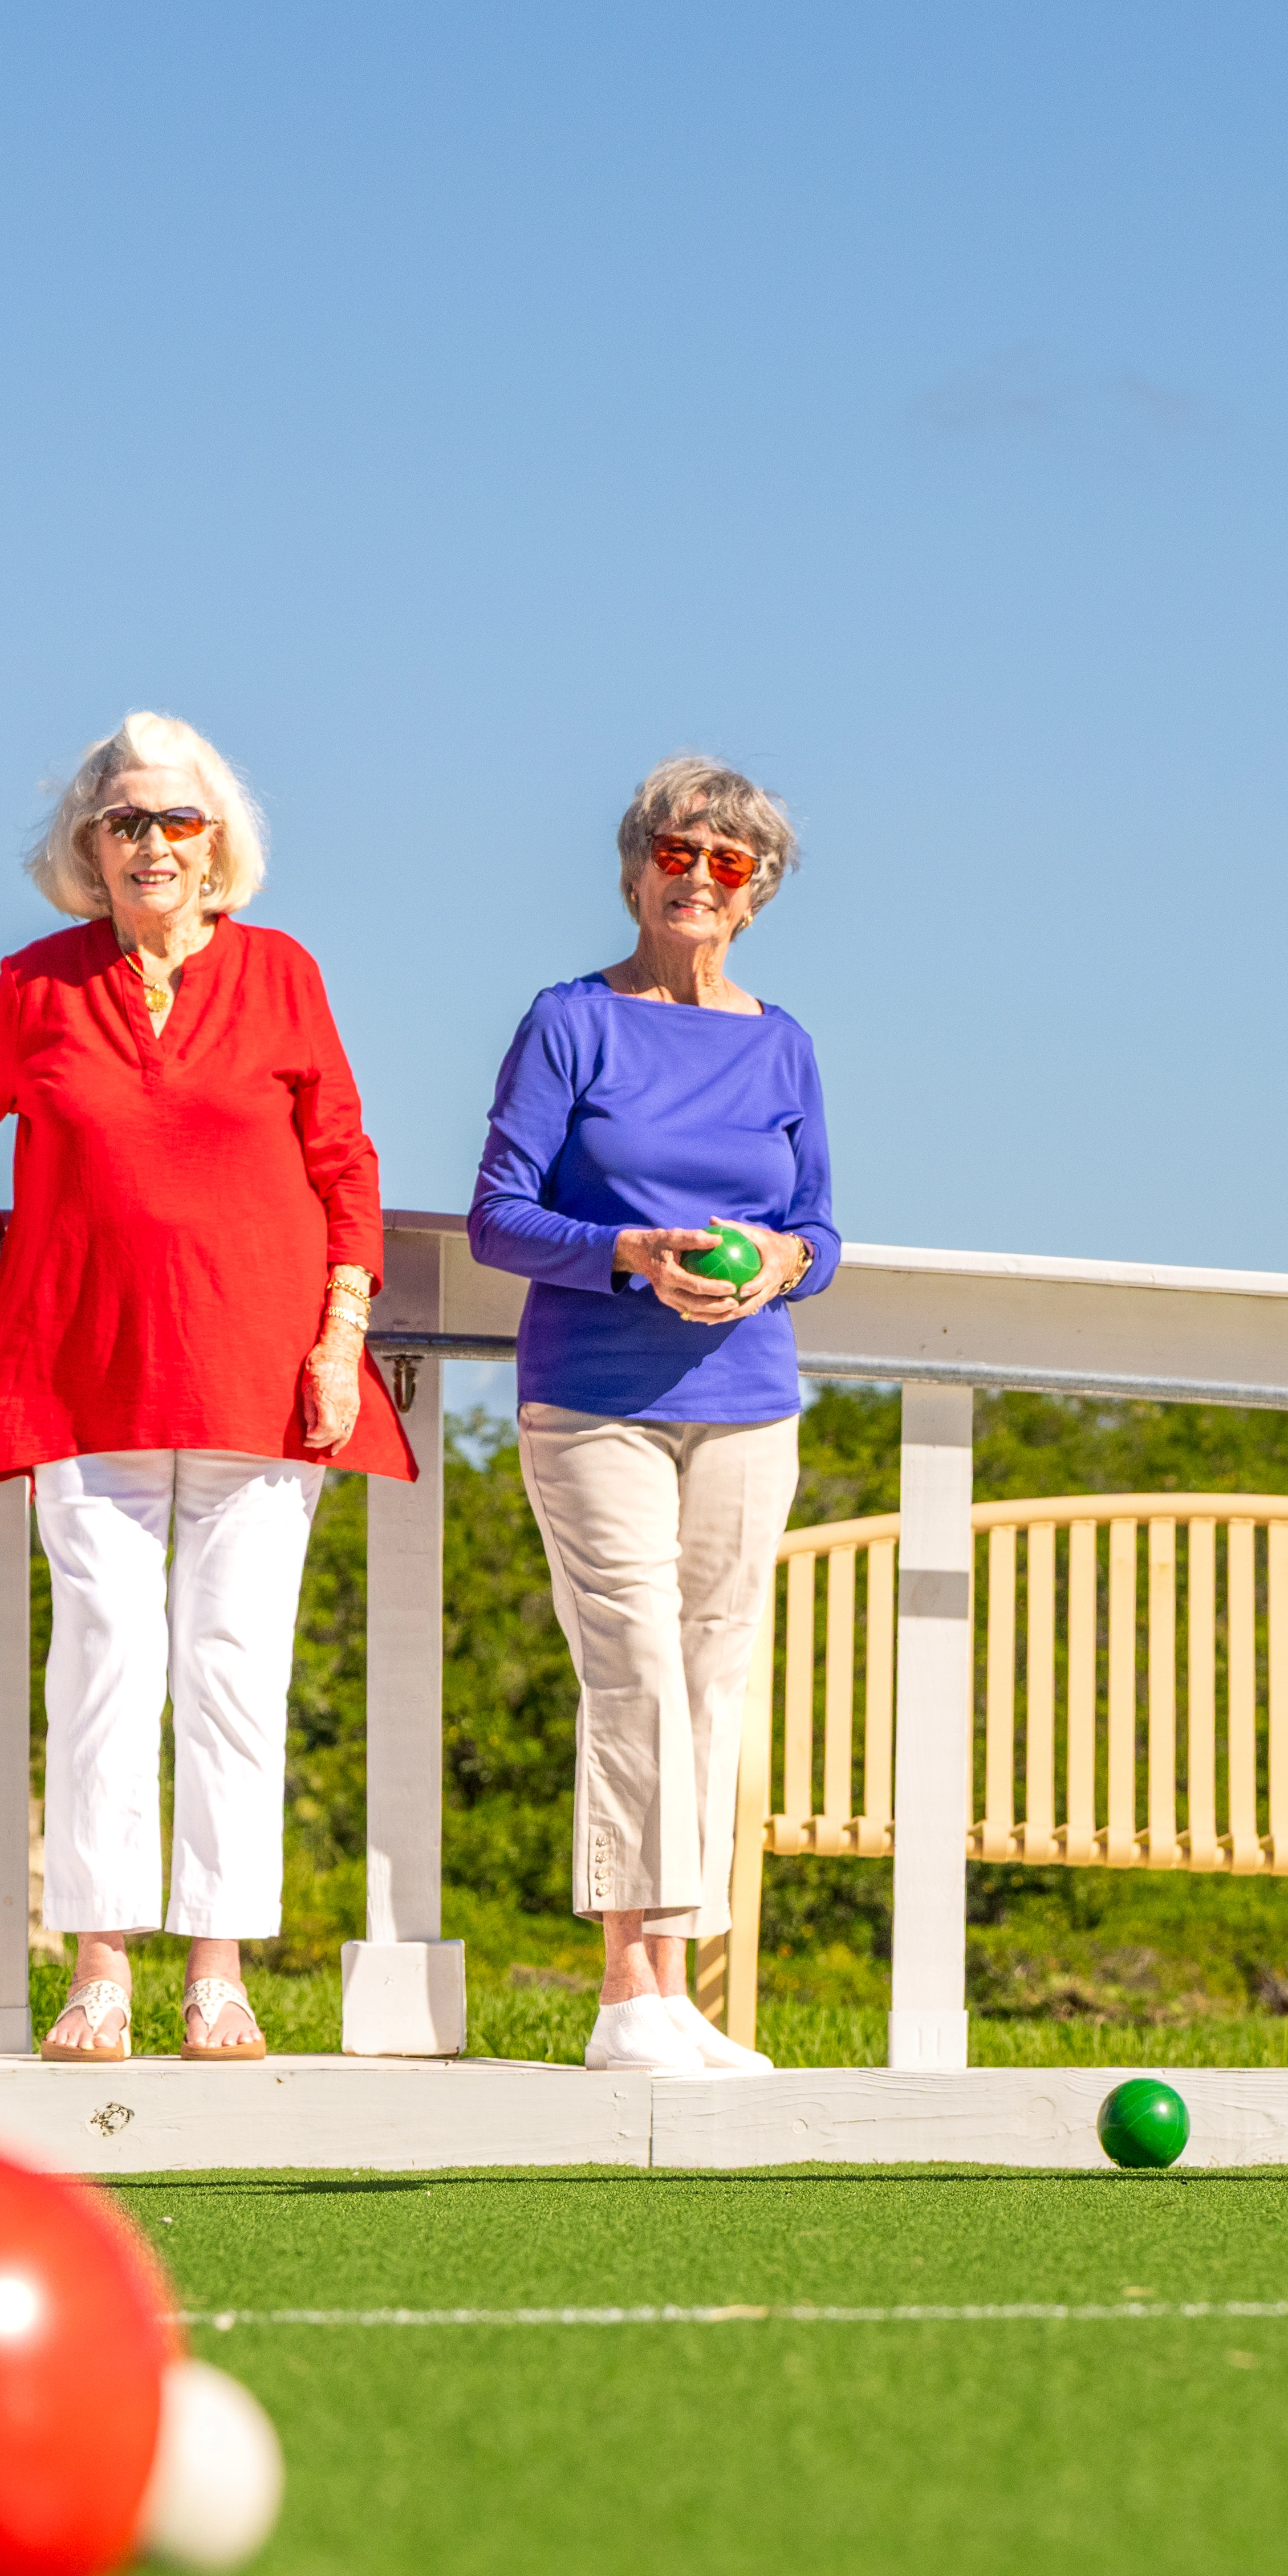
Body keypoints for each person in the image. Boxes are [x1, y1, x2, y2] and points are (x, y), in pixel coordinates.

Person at [0, 714, 416, 2064]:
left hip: (265, 1377)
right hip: (84, 1382)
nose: (152, 844)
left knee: (234, 1672)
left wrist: (339, 1337)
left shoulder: (281, 972)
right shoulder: (34, 986)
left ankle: (217, 1967)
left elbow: (342, 1166)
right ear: (88, 844)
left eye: (176, 821)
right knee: (101, 1666)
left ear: (219, 844)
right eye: (126, 821)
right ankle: (99, 1966)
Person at [470, 759, 838, 2077]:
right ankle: (626, 1989)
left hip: (746, 1401)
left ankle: (676, 1993)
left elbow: (819, 1229)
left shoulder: (781, 1041)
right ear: (633, 872)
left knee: (711, 1682)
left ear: (757, 895)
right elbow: (500, 1216)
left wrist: (784, 1266)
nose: (696, 876)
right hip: (593, 1400)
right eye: (675, 853)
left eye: (726, 864)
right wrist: (634, 1254)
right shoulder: (572, 1022)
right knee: (629, 1666)